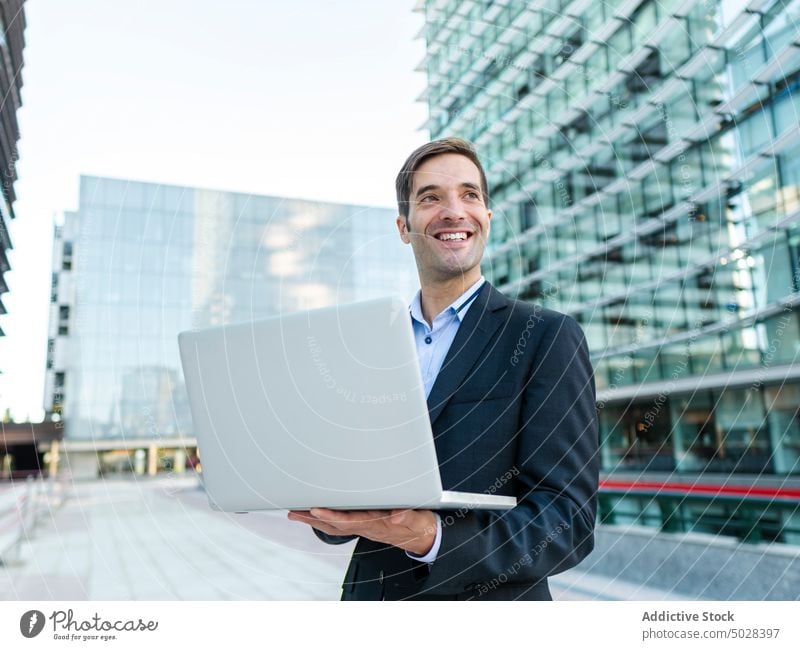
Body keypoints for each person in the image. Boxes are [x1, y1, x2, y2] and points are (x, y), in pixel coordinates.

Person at [288, 137, 598, 600]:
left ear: (487, 219)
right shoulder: (365, 348)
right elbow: (345, 505)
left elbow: (567, 520)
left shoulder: (543, 337)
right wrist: (326, 505)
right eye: (431, 197)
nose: (454, 211)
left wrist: (430, 538)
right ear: (403, 226)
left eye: (469, 195)